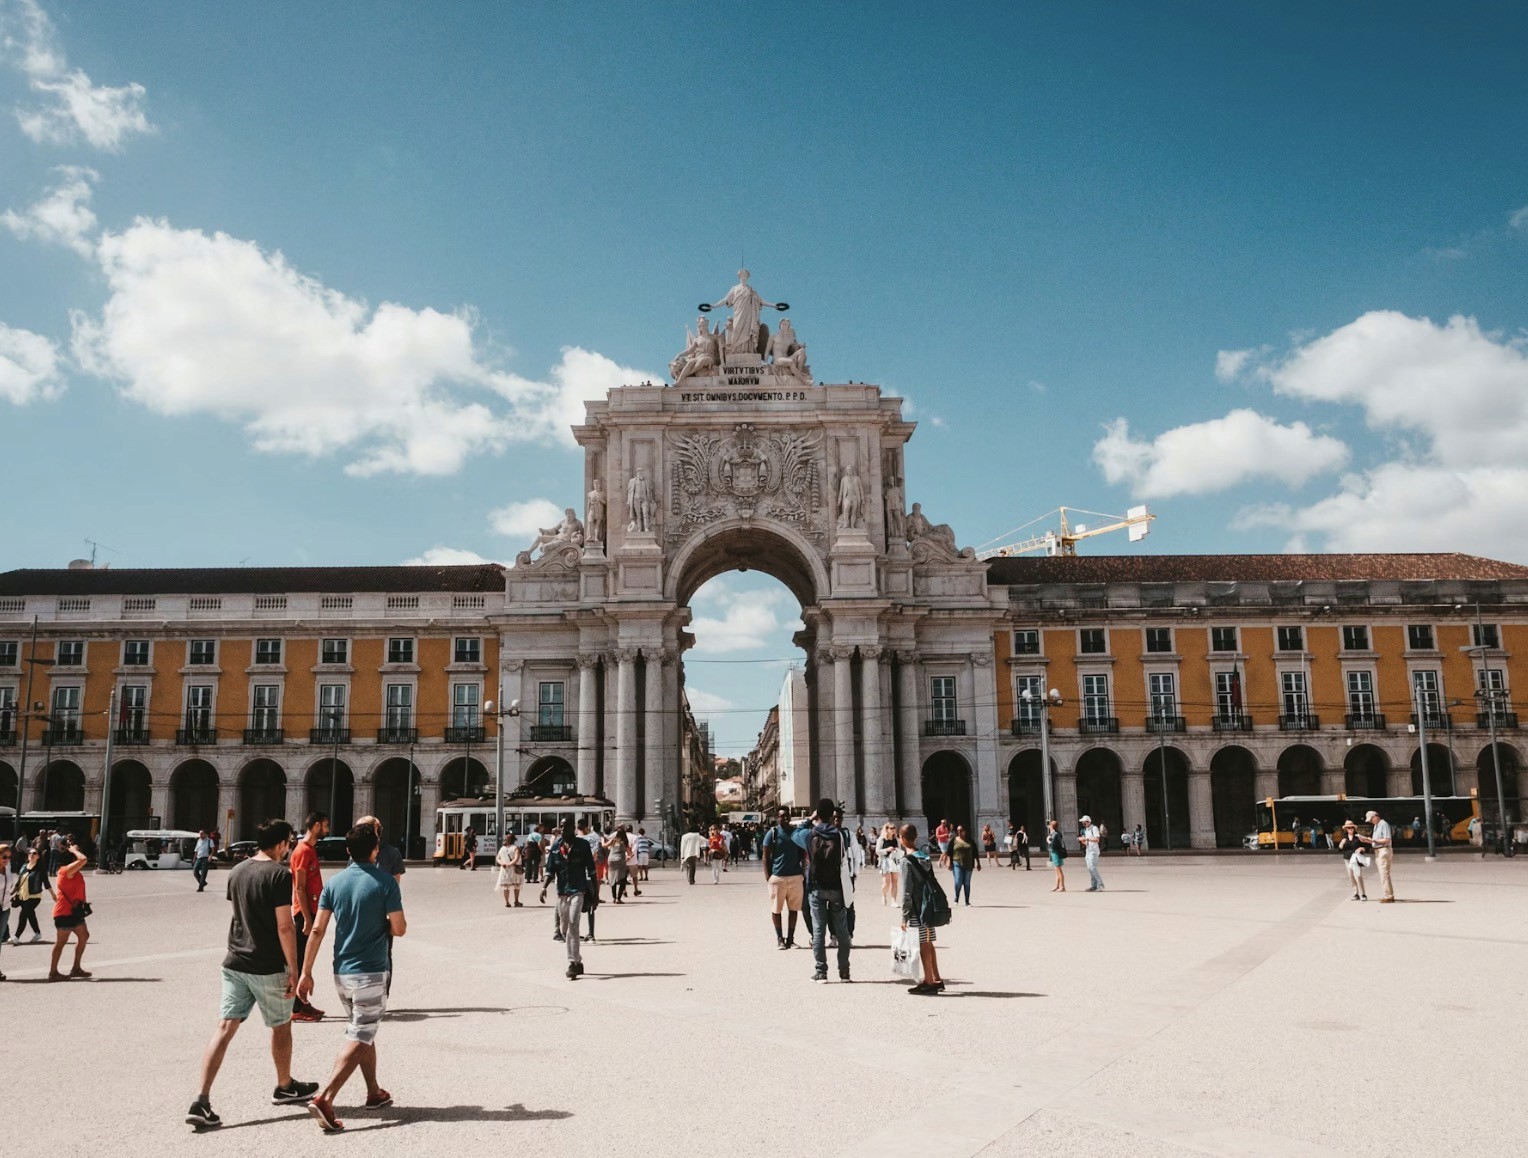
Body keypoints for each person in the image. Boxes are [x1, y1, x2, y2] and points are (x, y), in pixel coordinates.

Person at [185, 819, 318, 1130]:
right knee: (281, 1027)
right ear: (282, 843)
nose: (289, 847)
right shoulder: (278, 874)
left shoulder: (238, 870)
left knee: (224, 1028)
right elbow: (285, 926)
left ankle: (201, 1100)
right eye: (289, 841)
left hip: (234, 962)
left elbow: (241, 913)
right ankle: (285, 1086)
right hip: (268, 965)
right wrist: (294, 969)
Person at [298, 823, 407, 1133]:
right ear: (375, 850)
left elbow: (317, 930)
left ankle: (373, 1091)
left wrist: (306, 972)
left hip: (341, 973)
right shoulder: (386, 883)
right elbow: (399, 928)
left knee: (362, 1028)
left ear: (347, 851)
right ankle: (326, 1098)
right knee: (360, 1034)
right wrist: (385, 923)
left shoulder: (335, 883)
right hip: (371, 971)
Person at [804, 799, 852, 983]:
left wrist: (810, 819)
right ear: (833, 814)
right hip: (836, 887)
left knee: (818, 931)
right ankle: (844, 972)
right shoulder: (840, 835)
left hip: (816, 887)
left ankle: (821, 972)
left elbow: (796, 834)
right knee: (842, 931)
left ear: (818, 813)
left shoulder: (810, 833)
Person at [289, 812, 329, 1023]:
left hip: (311, 912)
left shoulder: (309, 850)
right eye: (325, 826)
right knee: (300, 961)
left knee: (304, 960)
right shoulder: (303, 851)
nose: (327, 830)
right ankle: (297, 1007)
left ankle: (301, 1004)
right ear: (315, 826)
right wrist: (306, 918)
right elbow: (300, 887)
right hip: (304, 914)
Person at [898, 824, 945, 996]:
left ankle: (930, 982)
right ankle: (936, 979)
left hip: (918, 908)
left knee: (923, 943)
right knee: (929, 941)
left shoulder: (906, 861)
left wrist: (904, 916)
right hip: (929, 905)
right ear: (916, 837)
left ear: (901, 838)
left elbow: (906, 891)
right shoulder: (924, 856)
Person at [546, 820, 595, 980]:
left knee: (574, 924)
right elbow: (550, 870)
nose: (563, 829)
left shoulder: (582, 845)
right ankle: (578, 960)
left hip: (577, 891)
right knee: (565, 928)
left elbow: (592, 870)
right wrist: (543, 887)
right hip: (562, 893)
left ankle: (572, 963)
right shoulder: (555, 847)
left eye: (566, 826)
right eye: (561, 826)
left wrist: (595, 895)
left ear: (572, 828)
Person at [48, 837, 91, 981]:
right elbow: (83, 859)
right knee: (61, 942)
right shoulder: (65, 871)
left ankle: (76, 968)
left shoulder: (74, 872)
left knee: (84, 936)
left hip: (75, 911)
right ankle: (53, 972)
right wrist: (74, 850)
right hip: (64, 912)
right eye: (76, 854)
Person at [761, 808, 805, 949]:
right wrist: (768, 877)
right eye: (782, 816)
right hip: (778, 877)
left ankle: (790, 939)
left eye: (787, 816)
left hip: (795, 876)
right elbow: (765, 857)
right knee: (776, 909)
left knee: (793, 909)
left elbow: (803, 853)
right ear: (777, 818)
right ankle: (780, 938)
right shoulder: (772, 833)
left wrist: (802, 872)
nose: (785, 818)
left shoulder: (796, 833)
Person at [11, 845, 52, 942]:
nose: (31, 855)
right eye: (30, 853)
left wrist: (53, 895)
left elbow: (46, 883)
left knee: (23, 914)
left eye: (34, 853)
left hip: (34, 897)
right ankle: (37, 933)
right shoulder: (24, 866)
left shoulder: (40, 869)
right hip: (22, 896)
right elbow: (19, 882)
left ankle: (16, 937)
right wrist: (10, 893)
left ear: (38, 856)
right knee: (30, 914)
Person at [1363, 810, 1395, 902]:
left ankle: (1388, 895)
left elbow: (1387, 839)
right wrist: (1367, 840)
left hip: (1383, 850)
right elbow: (1376, 840)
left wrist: (1373, 840)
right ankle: (1389, 894)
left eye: (1371, 819)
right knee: (1384, 874)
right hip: (1378, 850)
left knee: (1384, 874)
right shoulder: (1377, 826)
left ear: (1376, 816)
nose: (1370, 822)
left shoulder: (1383, 824)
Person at [1338, 821, 1368, 901]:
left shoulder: (1358, 837)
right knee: (1351, 877)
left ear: (1354, 828)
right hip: (1347, 859)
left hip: (1356, 859)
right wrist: (1341, 845)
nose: (1350, 829)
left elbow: (1367, 847)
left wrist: (1362, 848)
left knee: (1358, 876)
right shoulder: (1344, 838)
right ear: (1346, 829)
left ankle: (1363, 894)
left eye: (1351, 827)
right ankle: (1356, 894)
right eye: (1348, 827)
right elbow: (1339, 850)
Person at [949, 825, 978, 906]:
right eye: (958, 831)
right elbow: (949, 852)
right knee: (958, 881)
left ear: (965, 831)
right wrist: (949, 862)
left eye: (960, 830)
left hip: (968, 864)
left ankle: (967, 901)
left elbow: (975, 852)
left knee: (967, 883)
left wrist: (978, 863)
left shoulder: (970, 841)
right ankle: (956, 897)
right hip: (957, 863)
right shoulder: (954, 840)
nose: (959, 832)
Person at [494, 836, 523, 907]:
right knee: (517, 885)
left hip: (504, 870)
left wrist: (503, 864)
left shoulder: (502, 848)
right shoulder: (515, 848)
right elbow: (516, 858)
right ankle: (516, 901)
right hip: (514, 869)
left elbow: (498, 858)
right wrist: (509, 864)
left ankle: (507, 902)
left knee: (506, 886)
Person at [605, 827, 631, 903]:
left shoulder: (613, 840)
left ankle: (614, 897)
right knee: (623, 879)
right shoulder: (625, 841)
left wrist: (602, 840)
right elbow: (630, 853)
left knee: (613, 878)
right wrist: (628, 857)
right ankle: (618, 898)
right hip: (620, 860)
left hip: (611, 860)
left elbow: (604, 846)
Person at [878, 821, 901, 904]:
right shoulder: (882, 839)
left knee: (895, 882)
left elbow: (900, 850)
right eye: (891, 828)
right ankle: (883, 895)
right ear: (887, 829)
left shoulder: (896, 839)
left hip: (894, 861)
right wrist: (887, 850)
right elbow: (877, 851)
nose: (893, 830)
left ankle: (894, 901)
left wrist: (896, 851)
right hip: (885, 861)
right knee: (886, 883)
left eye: (894, 828)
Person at [1079, 815, 1104, 892]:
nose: (1083, 824)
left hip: (1094, 851)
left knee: (1092, 867)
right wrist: (1082, 841)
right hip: (1088, 851)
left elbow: (1097, 839)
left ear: (1088, 822)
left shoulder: (1094, 828)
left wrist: (1086, 838)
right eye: (1082, 823)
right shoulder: (1086, 830)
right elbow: (1087, 842)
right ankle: (1094, 886)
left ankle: (1100, 884)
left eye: (1084, 823)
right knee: (1090, 869)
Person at [0, 843, 13, 980]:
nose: (7, 859)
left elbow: (8, 887)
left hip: (5, 909)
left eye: (9, 857)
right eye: (4, 856)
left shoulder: (8, 869)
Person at [1046, 819, 1067, 892]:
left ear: (1052, 826)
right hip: (1056, 852)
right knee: (1056, 870)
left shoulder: (1055, 834)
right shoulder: (1056, 833)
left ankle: (1062, 887)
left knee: (1058, 870)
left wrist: (1048, 840)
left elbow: (1053, 845)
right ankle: (1057, 886)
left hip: (1056, 853)